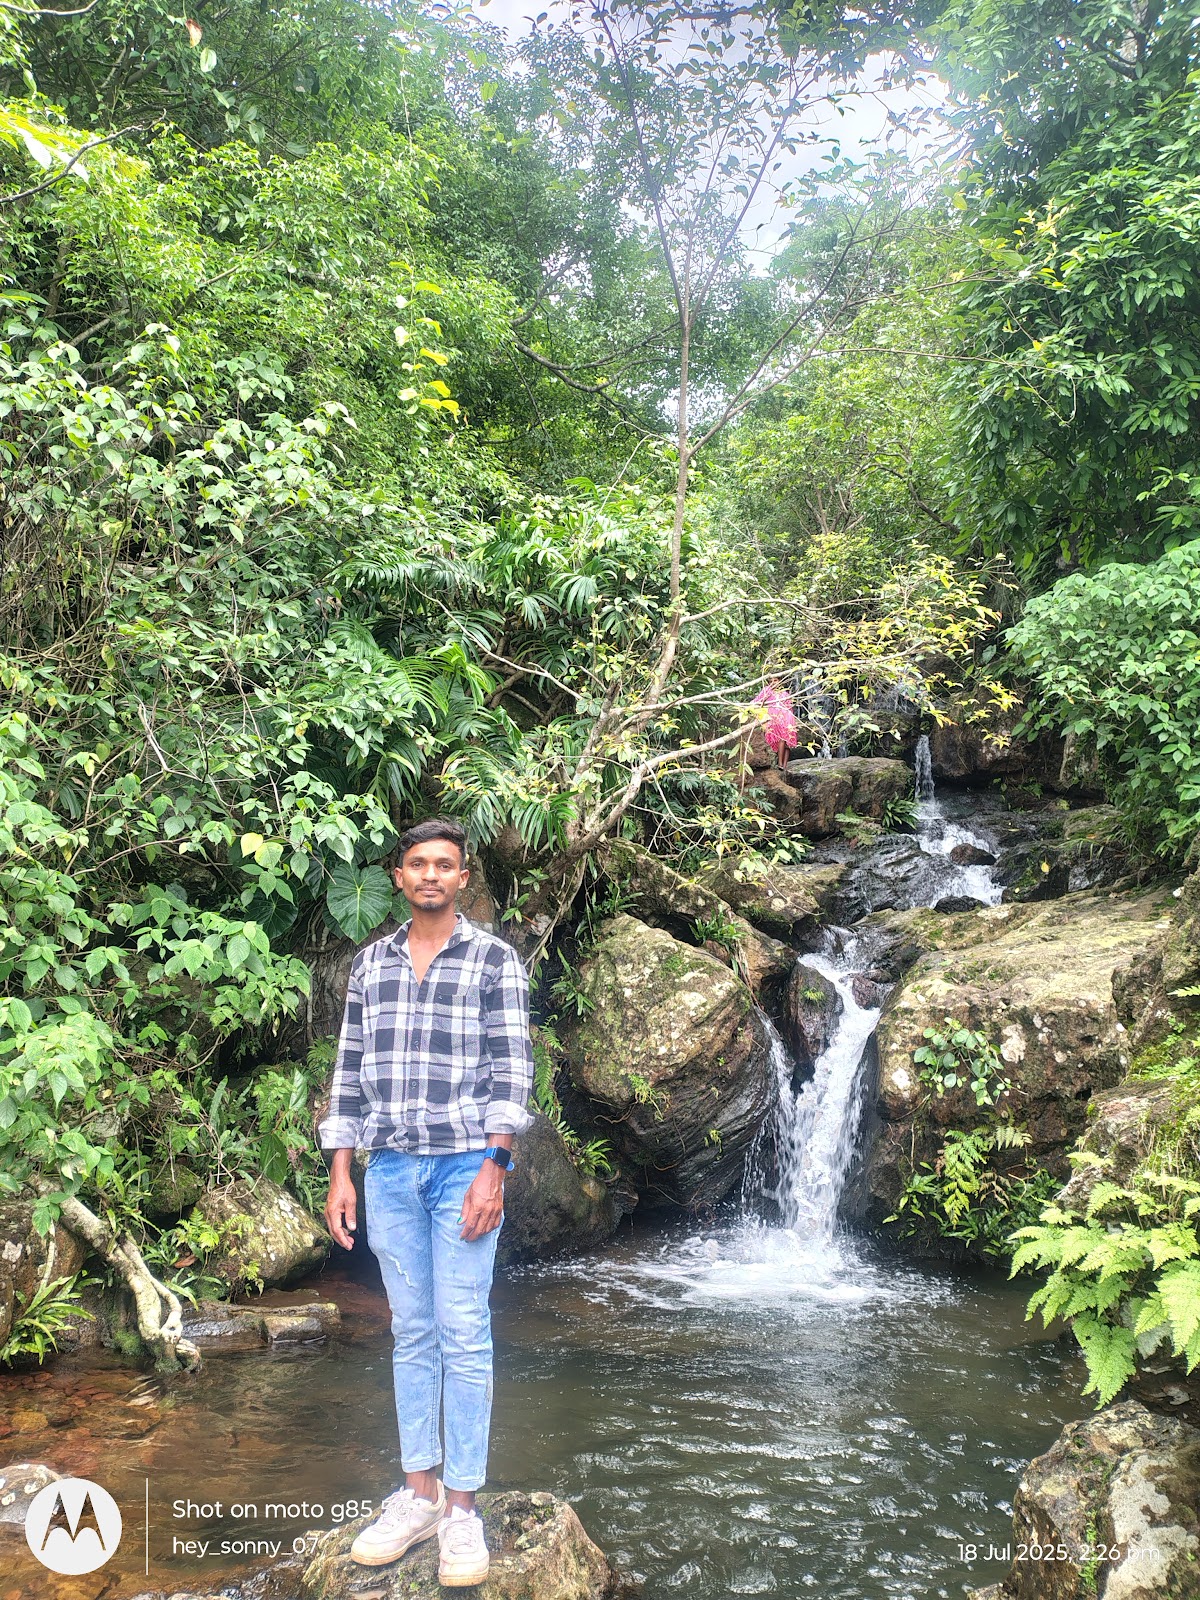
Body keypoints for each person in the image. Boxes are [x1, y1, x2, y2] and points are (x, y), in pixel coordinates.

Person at [320, 817, 534, 1587]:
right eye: (419, 863)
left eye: (445, 864)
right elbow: (348, 1070)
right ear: (400, 877)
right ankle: (419, 1495)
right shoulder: (370, 966)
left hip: (463, 1170)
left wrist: (494, 1168)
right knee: (412, 1331)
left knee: (464, 1331)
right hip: (389, 1172)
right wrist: (341, 1171)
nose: (432, 874)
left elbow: (512, 1072)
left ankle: (462, 1510)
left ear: (463, 877)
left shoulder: (494, 961)